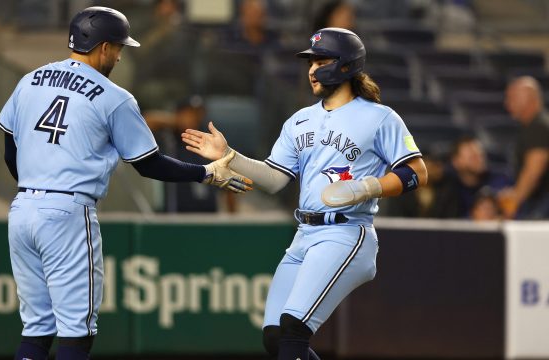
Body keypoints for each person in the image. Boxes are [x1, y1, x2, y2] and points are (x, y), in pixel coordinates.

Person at [0, 7, 252, 360]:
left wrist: (35, 188)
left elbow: (11, 149)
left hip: (22, 208)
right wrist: (206, 173)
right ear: (102, 47)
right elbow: (149, 165)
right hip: (67, 212)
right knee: (76, 333)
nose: (118, 55)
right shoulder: (112, 96)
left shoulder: (30, 80)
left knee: (36, 329)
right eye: (117, 47)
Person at [182, 28, 428, 360]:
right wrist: (231, 157)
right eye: (310, 61)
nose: (312, 69)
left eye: (321, 60)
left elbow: (416, 172)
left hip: (345, 232)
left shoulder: (379, 117)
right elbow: (273, 179)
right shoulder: (300, 120)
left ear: (345, 66)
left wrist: (366, 187)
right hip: (305, 234)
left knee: (294, 327)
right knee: (275, 337)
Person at [499, 76, 549, 219]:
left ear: (528, 98)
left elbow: (533, 171)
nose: (507, 104)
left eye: (512, 98)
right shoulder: (534, 125)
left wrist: (515, 199)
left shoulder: (538, 126)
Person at [431, 135, 510, 219]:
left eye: (481, 156)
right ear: (456, 162)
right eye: (472, 157)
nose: (479, 160)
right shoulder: (449, 188)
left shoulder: (500, 181)